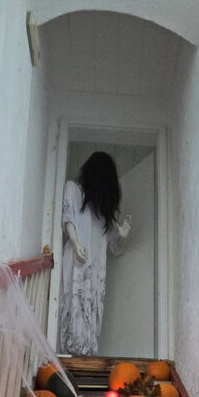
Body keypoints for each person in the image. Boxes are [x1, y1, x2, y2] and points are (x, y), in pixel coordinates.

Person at [58, 151, 132, 356]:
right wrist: (75, 242)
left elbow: (116, 247)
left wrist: (122, 234)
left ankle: (86, 352)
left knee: (91, 303)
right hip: (77, 259)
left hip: (95, 267)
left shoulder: (102, 213)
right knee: (72, 300)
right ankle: (68, 351)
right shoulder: (73, 189)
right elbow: (68, 218)